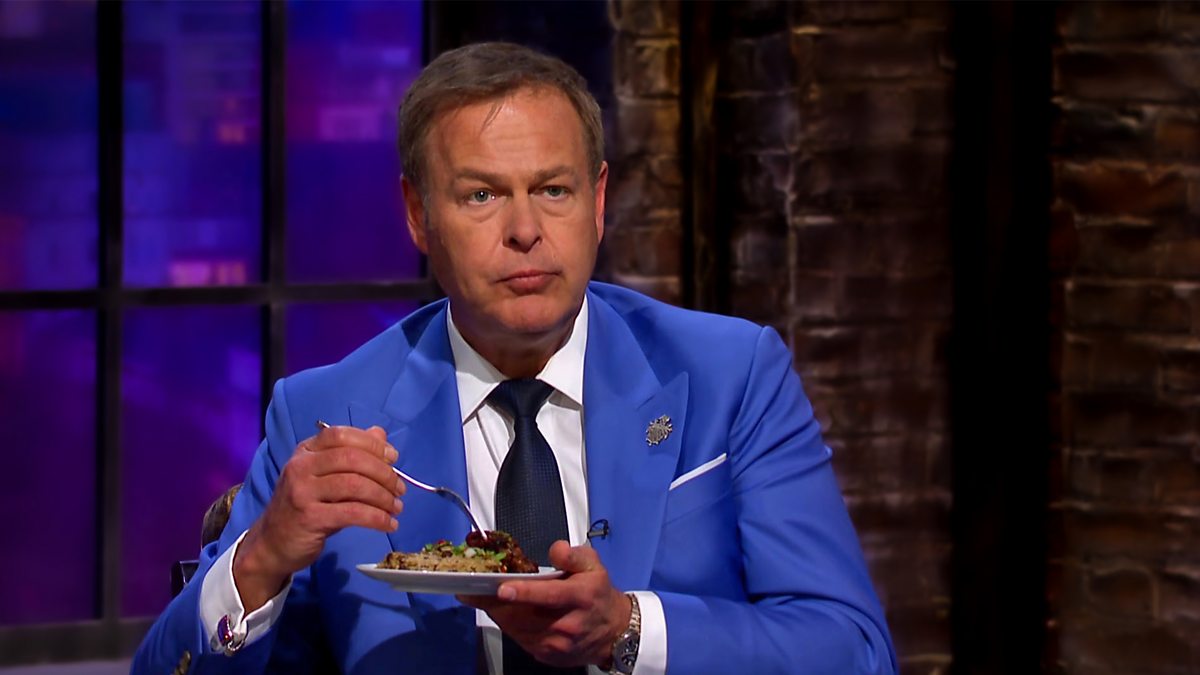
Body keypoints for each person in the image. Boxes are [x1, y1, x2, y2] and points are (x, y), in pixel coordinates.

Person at [133, 41, 897, 675]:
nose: (526, 230)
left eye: (554, 190)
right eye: (482, 196)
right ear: (418, 214)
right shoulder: (325, 412)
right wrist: (261, 557)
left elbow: (856, 650)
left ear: (598, 202)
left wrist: (630, 629)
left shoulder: (733, 376)